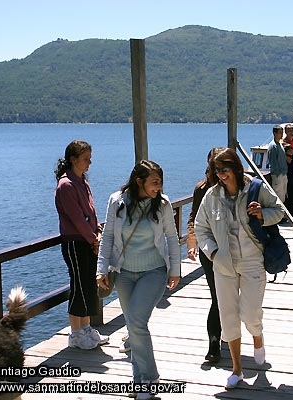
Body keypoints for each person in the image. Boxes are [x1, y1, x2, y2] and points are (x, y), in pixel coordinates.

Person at [194, 148, 284, 390]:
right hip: (223, 264)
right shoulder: (212, 196)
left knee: (250, 313)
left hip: (253, 260)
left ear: (235, 167)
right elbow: (200, 228)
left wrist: (262, 213)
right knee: (228, 317)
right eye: (217, 170)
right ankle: (237, 369)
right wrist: (212, 252)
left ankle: (257, 336)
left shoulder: (255, 187)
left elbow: (280, 211)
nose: (221, 175)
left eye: (224, 169)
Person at [96, 160, 181, 399]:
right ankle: (138, 380)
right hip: (124, 273)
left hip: (153, 271)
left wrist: (175, 270)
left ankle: (150, 379)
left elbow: (172, 239)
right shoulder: (117, 201)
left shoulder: (162, 204)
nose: (159, 187)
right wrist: (101, 268)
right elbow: (108, 237)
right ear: (139, 181)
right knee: (133, 326)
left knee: (135, 321)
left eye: (160, 182)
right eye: (155, 182)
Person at [54, 140, 109, 350]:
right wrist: (94, 240)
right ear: (73, 159)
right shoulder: (66, 185)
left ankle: (86, 329)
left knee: (88, 284)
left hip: (88, 241)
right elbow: (76, 219)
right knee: (78, 285)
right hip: (75, 243)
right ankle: (76, 333)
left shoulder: (82, 182)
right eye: (86, 158)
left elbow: (91, 214)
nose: (90, 162)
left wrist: (98, 233)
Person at [187, 147, 224, 364]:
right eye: (213, 165)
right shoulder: (201, 189)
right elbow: (193, 218)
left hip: (233, 250)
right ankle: (214, 345)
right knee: (216, 297)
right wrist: (193, 242)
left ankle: (229, 333)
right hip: (209, 251)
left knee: (231, 296)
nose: (216, 170)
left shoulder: (235, 185)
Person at [267, 125, 288, 202]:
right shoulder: (273, 146)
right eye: (279, 133)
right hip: (278, 175)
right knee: (278, 196)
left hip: (283, 174)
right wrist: (277, 173)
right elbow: (273, 161)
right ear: (274, 133)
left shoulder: (280, 145)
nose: (281, 135)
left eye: (282, 133)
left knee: (283, 196)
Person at [283, 143, 293, 217]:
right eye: (289, 150)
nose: (291, 151)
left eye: (292, 150)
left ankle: (292, 211)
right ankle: (289, 212)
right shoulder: (285, 158)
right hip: (288, 180)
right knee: (288, 198)